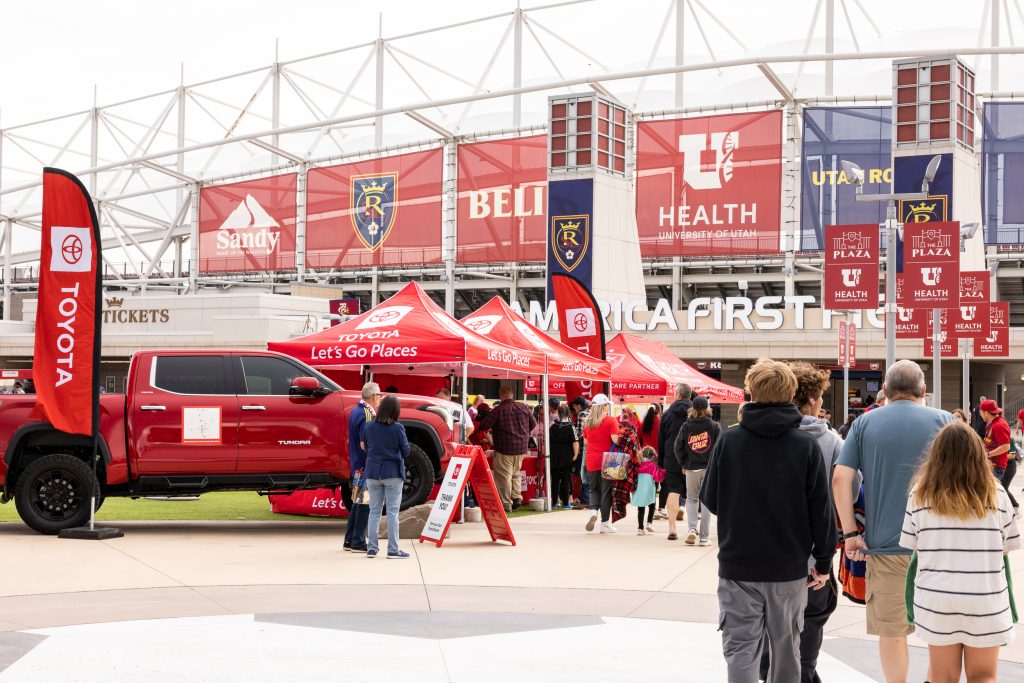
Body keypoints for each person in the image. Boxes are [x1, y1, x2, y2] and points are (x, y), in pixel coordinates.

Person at [700, 358, 834, 683]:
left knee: (740, 648)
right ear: (791, 394)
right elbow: (821, 509)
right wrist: (825, 561)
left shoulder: (729, 442)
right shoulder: (805, 445)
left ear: (751, 392)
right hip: (789, 568)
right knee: (787, 648)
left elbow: (711, 498)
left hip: (738, 565)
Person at [833, 360, 954, 683]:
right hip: (938, 546)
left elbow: (841, 478)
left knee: (892, 631)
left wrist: (849, 534)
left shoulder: (864, 424)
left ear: (884, 391)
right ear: (923, 391)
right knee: (939, 630)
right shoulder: (945, 421)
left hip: (886, 546)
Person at [900, 421, 1020, 682]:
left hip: (937, 600)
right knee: (983, 676)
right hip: (985, 599)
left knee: (942, 677)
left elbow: (914, 545)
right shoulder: (997, 495)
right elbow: (1006, 548)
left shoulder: (920, 494)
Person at [760, 361, 847, 683]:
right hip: (814, 561)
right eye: (821, 397)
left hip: (766, 562)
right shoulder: (831, 443)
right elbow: (848, 493)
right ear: (810, 399)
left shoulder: (761, 438)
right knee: (807, 642)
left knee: (773, 645)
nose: (822, 403)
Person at [362, 394, 411, 559]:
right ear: (395, 411)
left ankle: (372, 548)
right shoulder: (398, 428)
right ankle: (393, 549)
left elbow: (366, 447)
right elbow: (406, 451)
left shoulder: (368, 426)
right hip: (393, 473)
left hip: (372, 472)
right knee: (392, 512)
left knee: (374, 511)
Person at [477, 385, 536, 512]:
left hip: (505, 449)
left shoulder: (499, 410)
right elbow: (534, 423)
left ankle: (506, 504)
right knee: (515, 473)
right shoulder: (524, 407)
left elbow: (484, 425)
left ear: (501, 396)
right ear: (512, 395)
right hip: (521, 449)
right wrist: (523, 434)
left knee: (504, 477)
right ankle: (517, 497)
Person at [674, 395, 720, 547]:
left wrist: (683, 463)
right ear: (708, 408)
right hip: (709, 469)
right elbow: (720, 449)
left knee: (692, 499)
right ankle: (704, 538)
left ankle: (692, 529)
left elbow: (677, 447)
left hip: (691, 468)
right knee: (706, 502)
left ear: (693, 409)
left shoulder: (686, 426)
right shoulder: (714, 426)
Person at [343, 382, 382, 553]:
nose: (380, 398)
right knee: (364, 503)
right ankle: (358, 541)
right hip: (365, 465)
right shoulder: (367, 413)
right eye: (379, 395)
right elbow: (365, 442)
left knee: (357, 503)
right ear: (373, 397)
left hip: (358, 464)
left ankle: (350, 539)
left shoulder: (356, 410)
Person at [657, 383, 692, 539]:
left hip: (671, 458)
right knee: (694, 494)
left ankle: (672, 528)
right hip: (693, 458)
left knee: (673, 491)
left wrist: (661, 462)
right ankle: (693, 529)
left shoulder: (667, 414)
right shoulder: (696, 412)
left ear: (678, 395)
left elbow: (661, 440)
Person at [583, 393, 620, 533]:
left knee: (593, 489)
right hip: (608, 460)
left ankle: (593, 511)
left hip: (591, 459)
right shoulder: (611, 421)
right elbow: (616, 440)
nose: (608, 407)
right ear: (603, 407)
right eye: (607, 405)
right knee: (606, 492)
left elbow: (586, 442)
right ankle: (605, 524)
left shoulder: (588, 422)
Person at [979, 398, 1019, 517]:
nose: (980, 414)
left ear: (986, 412)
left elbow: (1006, 446)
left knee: (993, 496)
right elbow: (990, 442)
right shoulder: (990, 424)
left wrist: (987, 454)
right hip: (990, 465)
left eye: (981, 412)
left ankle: (1001, 517)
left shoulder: (999, 425)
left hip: (996, 466)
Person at [549, 404, 579, 509]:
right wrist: (575, 454)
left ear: (558, 413)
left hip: (554, 456)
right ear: (568, 413)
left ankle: (554, 502)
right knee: (566, 480)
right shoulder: (571, 427)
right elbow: (575, 442)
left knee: (555, 480)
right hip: (567, 457)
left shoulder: (552, 426)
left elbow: (547, 441)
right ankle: (566, 503)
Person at [632, 446, 659, 534]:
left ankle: (640, 528)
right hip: (649, 489)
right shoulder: (652, 465)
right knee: (652, 506)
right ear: (652, 456)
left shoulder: (637, 464)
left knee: (641, 508)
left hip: (639, 490)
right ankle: (649, 523)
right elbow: (656, 478)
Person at [571, 396, 591, 507]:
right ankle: (587, 498)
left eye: (575, 406)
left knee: (582, 473)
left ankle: (584, 499)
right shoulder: (590, 413)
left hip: (583, 448)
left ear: (578, 406)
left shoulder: (581, 415)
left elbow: (578, 433)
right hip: (591, 448)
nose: (574, 408)